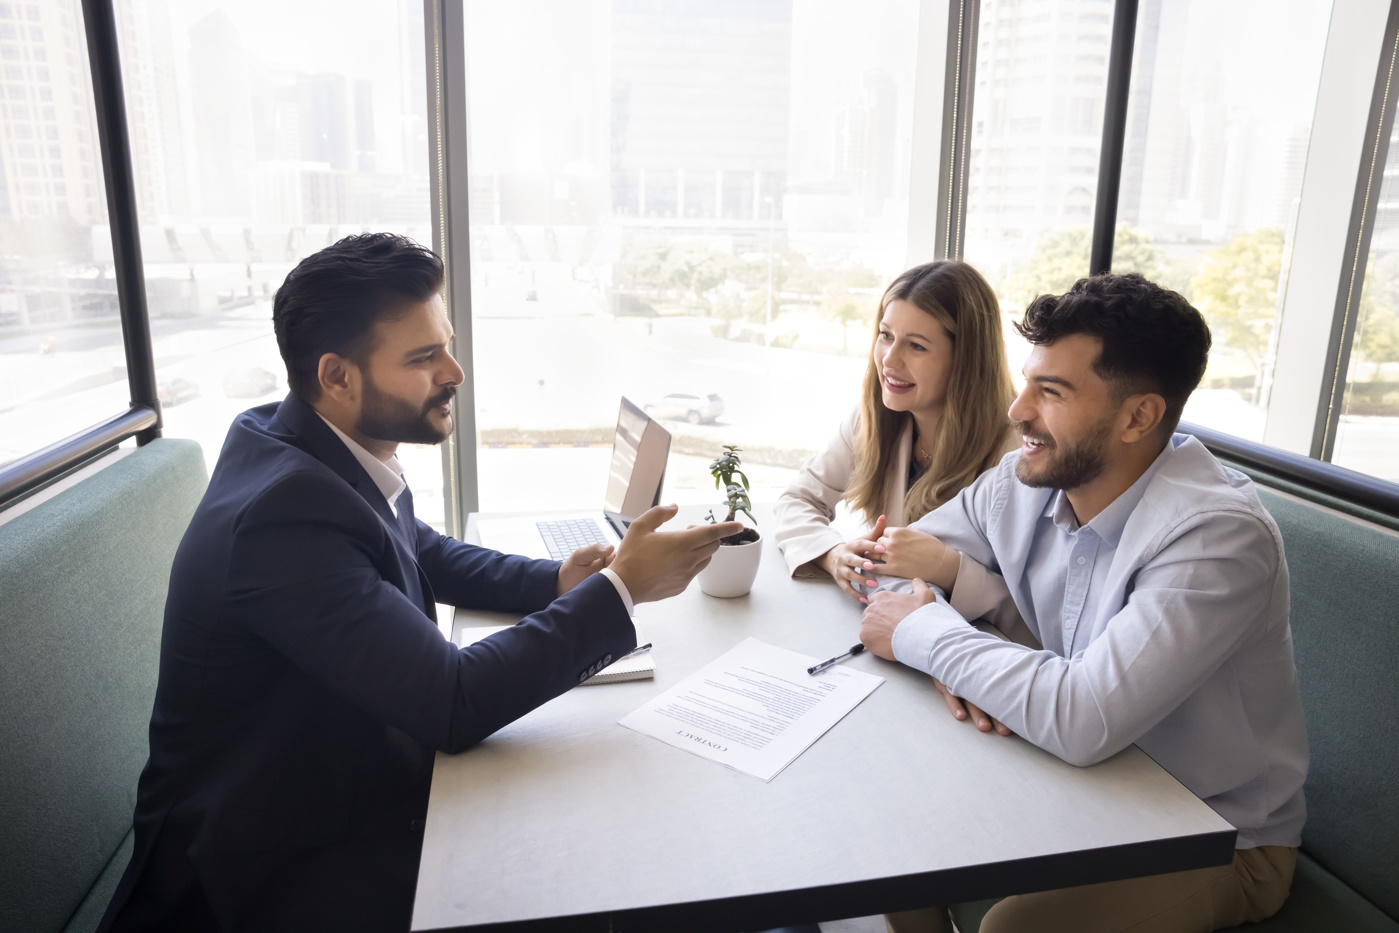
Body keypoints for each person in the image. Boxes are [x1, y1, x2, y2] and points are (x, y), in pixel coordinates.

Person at [98, 233, 742, 933]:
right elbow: (452, 702)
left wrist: (558, 580)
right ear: (337, 377)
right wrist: (620, 590)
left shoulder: (304, 439)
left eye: (448, 345)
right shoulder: (282, 517)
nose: (454, 371)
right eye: (422, 357)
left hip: (326, 792)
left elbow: (419, 548)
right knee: (605, 855)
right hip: (263, 872)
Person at [857, 273, 1307, 933]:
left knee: (1014, 928)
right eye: (1027, 383)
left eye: (1052, 391)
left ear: (1138, 417)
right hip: (1069, 778)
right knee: (882, 821)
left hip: (1211, 835)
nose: (1017, 412)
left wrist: (930, 639)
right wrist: (947, 654)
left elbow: (1081, 715)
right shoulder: (1021, 480)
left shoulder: (1217, 537)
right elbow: (889, 572)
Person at [773, 260, 1016, 600]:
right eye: (886, 335)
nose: (889, 359)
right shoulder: (874, 418)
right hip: (883, 619)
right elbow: (798, 500)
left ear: (967, 360)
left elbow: (1035, 607)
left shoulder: (1017, 452)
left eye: (916, 345)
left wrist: (947, 568)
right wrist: (833, 554)